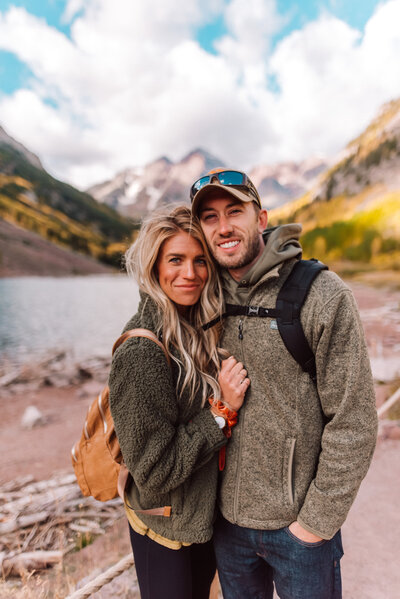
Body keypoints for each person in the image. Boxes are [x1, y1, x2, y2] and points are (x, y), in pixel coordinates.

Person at [190, 169, 378, 599]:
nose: (224, 227)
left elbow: (355, 421)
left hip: (300, 535)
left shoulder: (322, 295)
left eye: (234, 211)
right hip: (228, 527)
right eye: (210, 217)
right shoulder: (202, 296)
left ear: (261, 218)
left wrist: (314, 523)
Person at [108, 205, 250, 599]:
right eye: (176, 260)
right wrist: (221, 413)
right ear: (154, 266)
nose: (190, 274)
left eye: (200, 260)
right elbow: (153, 471)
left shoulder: (194, 327)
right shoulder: (142, 352)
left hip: (197, 519)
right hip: (164, 528)